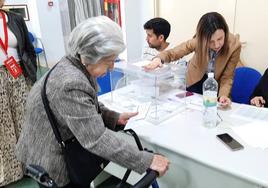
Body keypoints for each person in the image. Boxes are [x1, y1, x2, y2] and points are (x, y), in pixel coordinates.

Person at [15, 16, 169, 187]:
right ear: (91, 55)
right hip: (49, 156)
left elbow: (86, 104)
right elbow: (96, 138)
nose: (112, 68)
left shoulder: (75, 63)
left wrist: (113, 117)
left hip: (51, 141)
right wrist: (147, 160)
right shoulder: (70, 82)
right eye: (109, 61)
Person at [144, 12, 241, 108]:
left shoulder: (234, 46)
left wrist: (223, 95)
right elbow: (174, 52)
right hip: (195, 79)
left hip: (214, 84)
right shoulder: (198, 40)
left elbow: (227, 77)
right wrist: (158, 59)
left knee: (212, 109)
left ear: (225, 32)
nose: (216, 45)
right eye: (210, 41)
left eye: (220, 39)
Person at [0, 0, 37, 186]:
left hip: (18, 73)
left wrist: (31, 72)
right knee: (3, 124)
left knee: (24, 119)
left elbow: (28, 48)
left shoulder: (14, 18)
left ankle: (30, 165)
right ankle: (11, 171)